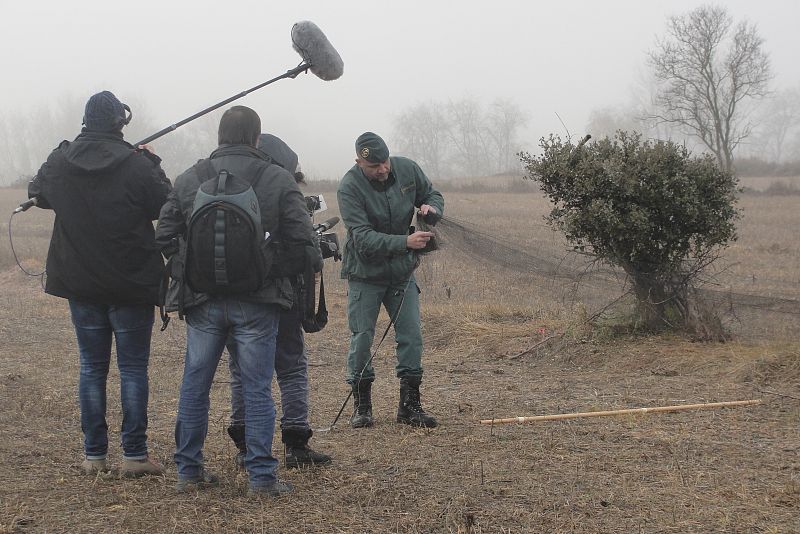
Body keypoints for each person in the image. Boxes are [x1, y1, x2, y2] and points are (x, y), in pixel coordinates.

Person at [155, 106, 317, 496]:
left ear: (219, 136)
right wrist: (268, 268)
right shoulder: (278, 179)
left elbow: (164, 238)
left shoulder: (189, 178)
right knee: (257, 387)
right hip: (258, 303)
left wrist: (191, 270)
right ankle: (262, 478)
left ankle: (188, 472)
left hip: (201, 301)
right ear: (257, 139)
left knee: (195, 384)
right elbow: (306, 247)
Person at [28, 90, 171, 477]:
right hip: (131, 284)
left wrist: (65, 153)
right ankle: (135, 456)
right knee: (133, 369)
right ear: (120, 123)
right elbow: (166, 203)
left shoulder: (62, 159)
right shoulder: (137, 164)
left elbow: (37, 192)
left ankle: (94, 457)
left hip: (81, 283)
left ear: (86, 122)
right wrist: (151, 158)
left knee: (92, 368)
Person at [226, 133, 331, 469]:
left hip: (231, 293)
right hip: (279, 295)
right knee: (291, 365)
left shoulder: (227, 189)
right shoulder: (283, 192)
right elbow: (307, 250)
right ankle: (296, 441)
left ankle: (245, 445)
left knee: (241, 370)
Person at [337, 132, 444, 429]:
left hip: (402, 274)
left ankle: (410, 406)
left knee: (412, 336)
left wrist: (432, 208)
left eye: (384, 162)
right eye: (374, 166)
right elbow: (362, 238)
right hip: (365, 274)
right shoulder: (348, 187)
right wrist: (405, 242)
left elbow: (432, 194)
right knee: (362, 338)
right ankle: (362, 405)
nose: (383, 170)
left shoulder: (407, 169)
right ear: (359, 162)